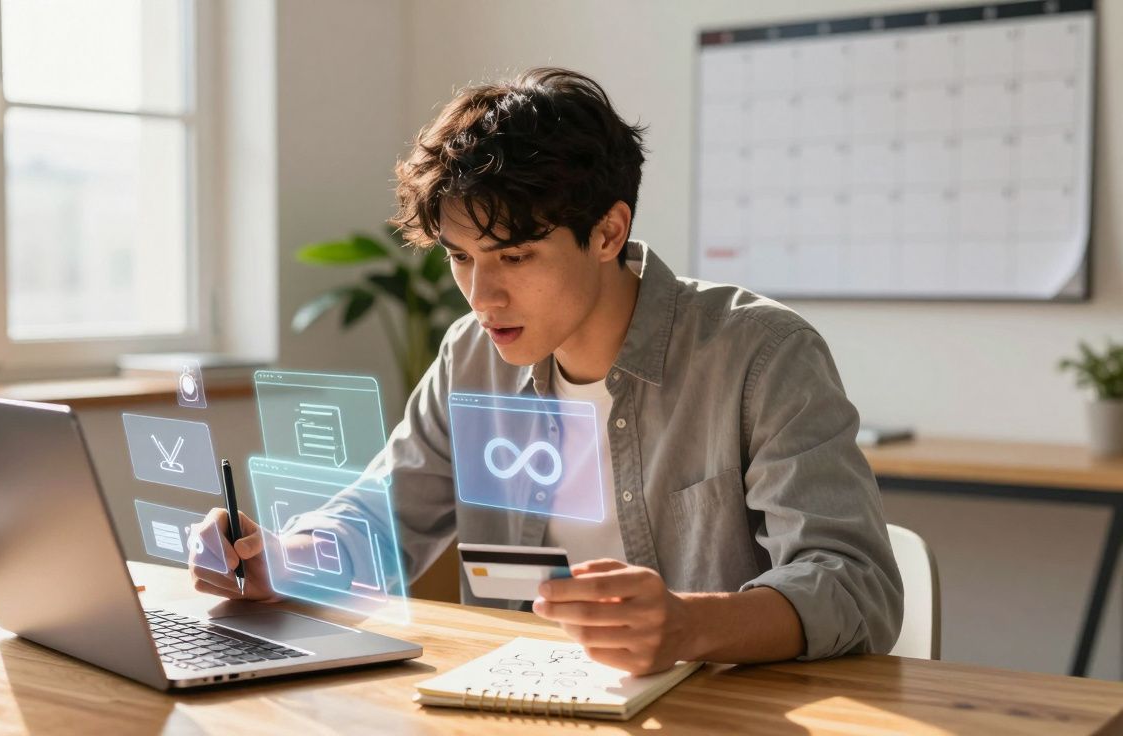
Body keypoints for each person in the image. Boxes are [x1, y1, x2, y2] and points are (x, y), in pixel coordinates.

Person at [192, 67, 903, 675]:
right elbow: (381, 513)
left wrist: (690, 625)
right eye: (460, 257)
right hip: (520, 699)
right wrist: (281, 556)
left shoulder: (760, 355)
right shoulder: (470, 356)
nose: (482, 295)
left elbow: (856, 585)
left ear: (607, 232)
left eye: (514, 257)